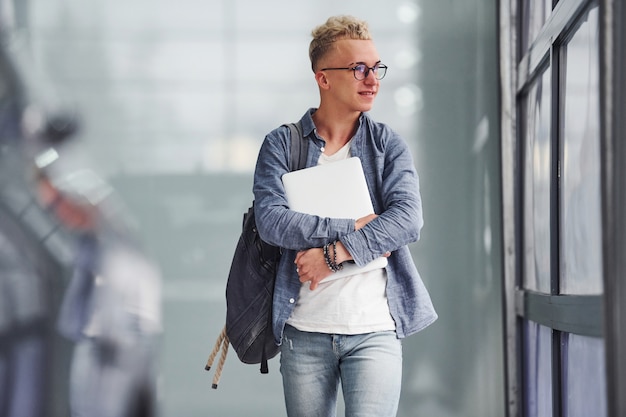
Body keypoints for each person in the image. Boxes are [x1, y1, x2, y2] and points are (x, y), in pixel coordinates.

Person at [252, 15, 437, 417]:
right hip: (304, 331)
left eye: (376, 68)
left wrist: (332, 255)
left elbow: (407, 219)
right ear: (324, 78)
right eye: (358, 68)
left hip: (374, 330)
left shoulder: (387, 145)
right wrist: (351, 227)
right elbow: (271, 220)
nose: (372, 79)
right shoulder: (282, 144)